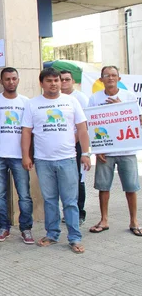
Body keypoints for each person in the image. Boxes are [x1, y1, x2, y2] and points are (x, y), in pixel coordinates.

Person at [21, 68, 90, 254]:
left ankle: (74, 237)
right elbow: (26, 131)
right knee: (50, 200)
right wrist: (25, 155)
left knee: (70, 201)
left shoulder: (71, 101)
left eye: (56, 80)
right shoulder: (32, 104)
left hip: (67, 159)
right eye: (49, 81)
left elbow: (82, 129)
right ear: (41, 83)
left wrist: (86, 153)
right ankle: (52, 234)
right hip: (43, 160)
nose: (54, 84)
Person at [87, 66, 141, 236]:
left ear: (119, 78)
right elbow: (91, 124)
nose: (110, 78)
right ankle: (104, 219)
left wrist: (121, 107)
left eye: (113, 75)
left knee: (131, 187)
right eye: (106, 75)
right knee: (104, 187)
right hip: (105, 151)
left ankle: (134, 221)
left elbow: (137, 121)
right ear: (101, 79)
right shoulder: (95, 98)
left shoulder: (129, 97)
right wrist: (97, 149)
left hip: (126, 150)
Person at [0, 68, 34, 244]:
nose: (11, 82)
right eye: (7, 79)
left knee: (24, 194)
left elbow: (30, 131)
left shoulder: (26, 102)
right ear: (1, 82)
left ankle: (26, 228)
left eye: (14, 78)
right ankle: (3, 227)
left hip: (19, 155)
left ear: (18, 80)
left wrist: (28, 154)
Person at [60, 69, 90, 225]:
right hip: (61, 145)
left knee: (78, 178)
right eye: (62, 79)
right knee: (65, 179)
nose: (64, 82)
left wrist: (74, 140)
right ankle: (67, 211)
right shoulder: (57, 97)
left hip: (76, 144)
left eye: (67, 79)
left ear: (73, 81)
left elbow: (84, 124)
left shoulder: (80, 98)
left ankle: (79, 212)